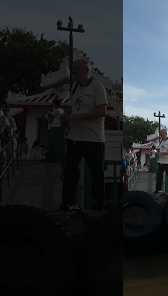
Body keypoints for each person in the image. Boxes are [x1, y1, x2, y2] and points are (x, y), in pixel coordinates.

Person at [61, 58, 108, 211]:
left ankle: (99, 206)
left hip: (93, 139)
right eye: (73, 72)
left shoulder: (97, 87)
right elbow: (73, 107)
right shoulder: (75, 87)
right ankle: (67, 203)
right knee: (69, 173)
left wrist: (77, 117)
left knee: (96, 174)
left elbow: (102, 111)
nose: (74, 75)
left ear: (85, 71)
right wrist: (64, 115)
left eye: (76, 72)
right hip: (74, 137)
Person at [154, 128, 168, 193]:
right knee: (159, 177)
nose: (161, 136)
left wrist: (161, 153)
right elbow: (159, 149)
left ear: (165, 133)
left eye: (161, 134)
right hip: (161, 162)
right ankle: (158, 190)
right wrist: (155, 151)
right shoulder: (161, 140)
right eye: (160, 134)